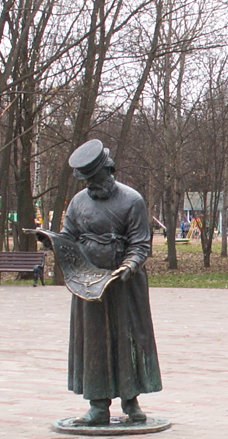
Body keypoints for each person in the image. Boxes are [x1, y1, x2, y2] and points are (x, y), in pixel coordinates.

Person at [63, 139, 162, 425]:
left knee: (128, 338)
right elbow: (68, 235)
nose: (91, 186)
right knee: (94, 343)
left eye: (95, 179)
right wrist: (53, 242)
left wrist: (129, 266)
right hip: (89, 283)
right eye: (87, 181)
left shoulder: (132, 200)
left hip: (124, 285)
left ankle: (131, 401)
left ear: (108, 170)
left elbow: (141, 244)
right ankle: (97, 405)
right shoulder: (79, 202)